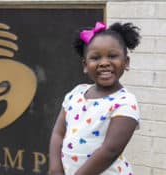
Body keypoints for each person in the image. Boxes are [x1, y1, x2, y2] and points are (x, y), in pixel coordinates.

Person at [49, 21, 141, 175]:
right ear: (85, 65)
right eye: (96, 58)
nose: (104, 63)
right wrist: (55, 168)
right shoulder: (76, 94)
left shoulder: (125, 102)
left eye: (112, 56)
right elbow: (58, 134)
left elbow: (110, 150)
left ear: (126, 62)